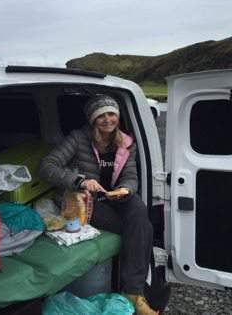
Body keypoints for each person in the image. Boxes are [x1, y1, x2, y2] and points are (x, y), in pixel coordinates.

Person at [40, 95, 157, 315]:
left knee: (139, 212)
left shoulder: (125, 142)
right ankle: (134, 292)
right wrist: (80, 181)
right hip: (84, 200)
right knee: (137, 230)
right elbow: (47, 166)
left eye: (111, 114)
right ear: (92, 120)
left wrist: (125, 189)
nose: (107, 119)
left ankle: (132, 290)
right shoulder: (78, 138)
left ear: (118, 116)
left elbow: (131, 175)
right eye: (100, 115)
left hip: (114, 196)